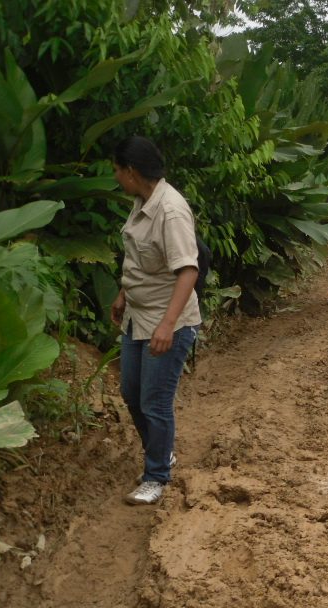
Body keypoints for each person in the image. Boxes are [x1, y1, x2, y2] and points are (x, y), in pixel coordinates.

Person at [110, 136, 201, 505]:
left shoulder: (171, 211)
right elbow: (140, 260)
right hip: (137, 315)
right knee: (131, 392)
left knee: (155, 401)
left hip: (169, 321)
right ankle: (161, 453)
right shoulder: (142, 201)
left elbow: (188, 271)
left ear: (131, 172)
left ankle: (157, 476)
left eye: (117, 170)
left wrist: (167, 324)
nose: (115, 177)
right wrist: (123, 293)